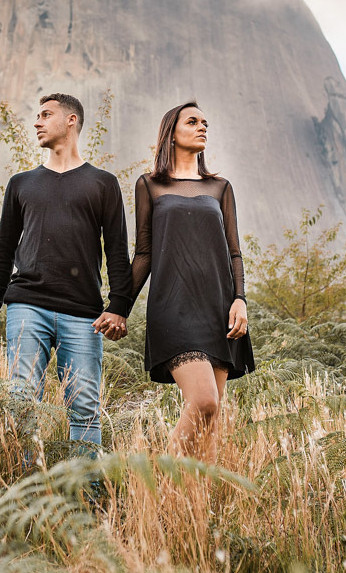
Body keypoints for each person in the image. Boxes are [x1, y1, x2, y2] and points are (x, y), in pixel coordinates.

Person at [0, 93, 132, 453]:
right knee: (21, 402)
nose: (37, 122)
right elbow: (4, 248)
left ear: (71, 121)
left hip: (83, 313)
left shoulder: (103, 183)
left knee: (83, 408)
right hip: (26, 306)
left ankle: (86, 497)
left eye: (45, 115)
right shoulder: (21, 183)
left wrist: (120, 307)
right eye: (36, 115)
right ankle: (27, 493)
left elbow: (117, 251)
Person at [130, 101, 255, 460]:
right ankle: (155, 486)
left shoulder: (220, 187)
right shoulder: (150, 185)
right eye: (193, 121)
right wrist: (118, 306)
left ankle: (194, 508)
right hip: (172, 308)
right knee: (202, 402)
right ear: (171, 132)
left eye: (205, 123)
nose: (202, 127)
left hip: (219, 311)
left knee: (212, 420)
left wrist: (240, 299)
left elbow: (234, 251)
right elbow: (144, 254)